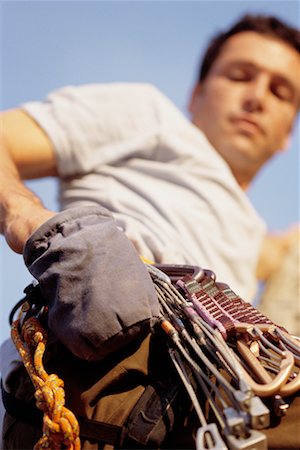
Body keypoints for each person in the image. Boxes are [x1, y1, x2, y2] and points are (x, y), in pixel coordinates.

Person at [0, 13, 299, 450]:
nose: (257, 98)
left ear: (287, 134)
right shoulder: (150, 116)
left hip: (202, 398)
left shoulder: (254, 237)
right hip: (102, 372)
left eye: (280, 91)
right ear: (196, 95)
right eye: (240, 76)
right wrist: (27, 216)